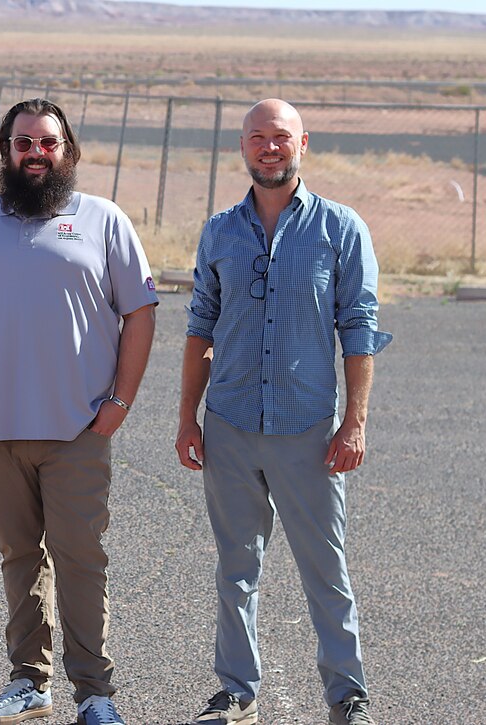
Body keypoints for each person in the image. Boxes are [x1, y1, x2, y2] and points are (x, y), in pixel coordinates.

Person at [0, 98, 158, 725]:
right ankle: (29, 682)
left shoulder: (104, 221)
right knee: (19, 557)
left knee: (81, 557)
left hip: (77, 426)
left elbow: (140, 312)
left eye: (48, 142)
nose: (36, 152)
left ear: (68, 151)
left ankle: (95, 693)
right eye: (23, 142)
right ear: (5, 151)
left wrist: (119, 402)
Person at [175, 99, 392, 725]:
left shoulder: (340, 229)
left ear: (303, 143)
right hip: (231, 424)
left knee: (327, 570)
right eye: (257, 138)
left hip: (308, 430)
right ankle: (235, 692)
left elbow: (359, 327)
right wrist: (188, 417)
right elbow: (200, 328)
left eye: (281, 137)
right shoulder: (220, 230)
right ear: (242, 147)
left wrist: (355, 422)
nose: (269, 148)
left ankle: (347, 695)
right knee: (236, 568)